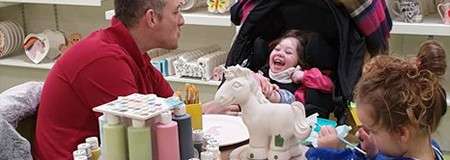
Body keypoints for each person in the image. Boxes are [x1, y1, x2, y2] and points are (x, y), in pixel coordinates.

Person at [33, 0, 185, 159]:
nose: (181, 20)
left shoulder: (133, 53)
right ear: (151, 18)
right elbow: (138, 139)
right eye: (176, 12)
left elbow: (174, 109)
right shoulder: (104, 59)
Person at [309, 55, 446, 160]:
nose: (359, 134)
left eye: (373, 131)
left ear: (401, 133)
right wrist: (373, 153)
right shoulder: (431, 146)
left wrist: (330, 152)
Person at [254, 30, 334, 105]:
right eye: (277, 49)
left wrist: (304, 76)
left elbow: (329, 85)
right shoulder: (264, 70)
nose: (280, 54)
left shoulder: (300, 82)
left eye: (288, 52)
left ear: (299, 60)